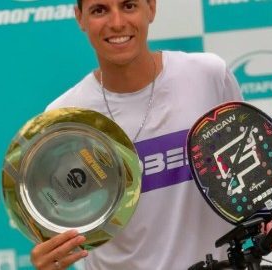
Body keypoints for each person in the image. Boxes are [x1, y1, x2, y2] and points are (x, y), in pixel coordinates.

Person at [30, 0, 243, 269]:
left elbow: (250, 172)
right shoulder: (64, 118)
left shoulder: (209, 76)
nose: (117, 23)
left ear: (151, 8)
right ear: (80, 18)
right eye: (99, 10)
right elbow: (62, 224)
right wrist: (50, 258)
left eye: (129, 6)